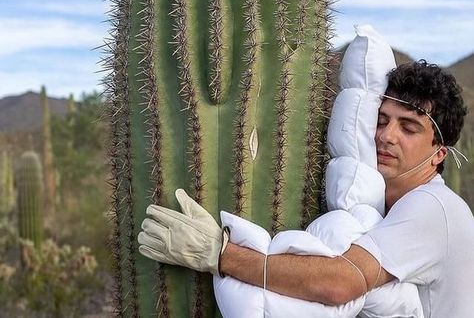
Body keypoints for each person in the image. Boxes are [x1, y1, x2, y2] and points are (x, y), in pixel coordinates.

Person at [138, 60, 474, 318]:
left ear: (438, 153)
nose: (386, 136)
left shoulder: (432, 207)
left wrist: (220, 255)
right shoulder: (388, 206)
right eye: (382, 120)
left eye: (409, 127)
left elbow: (341, 281)